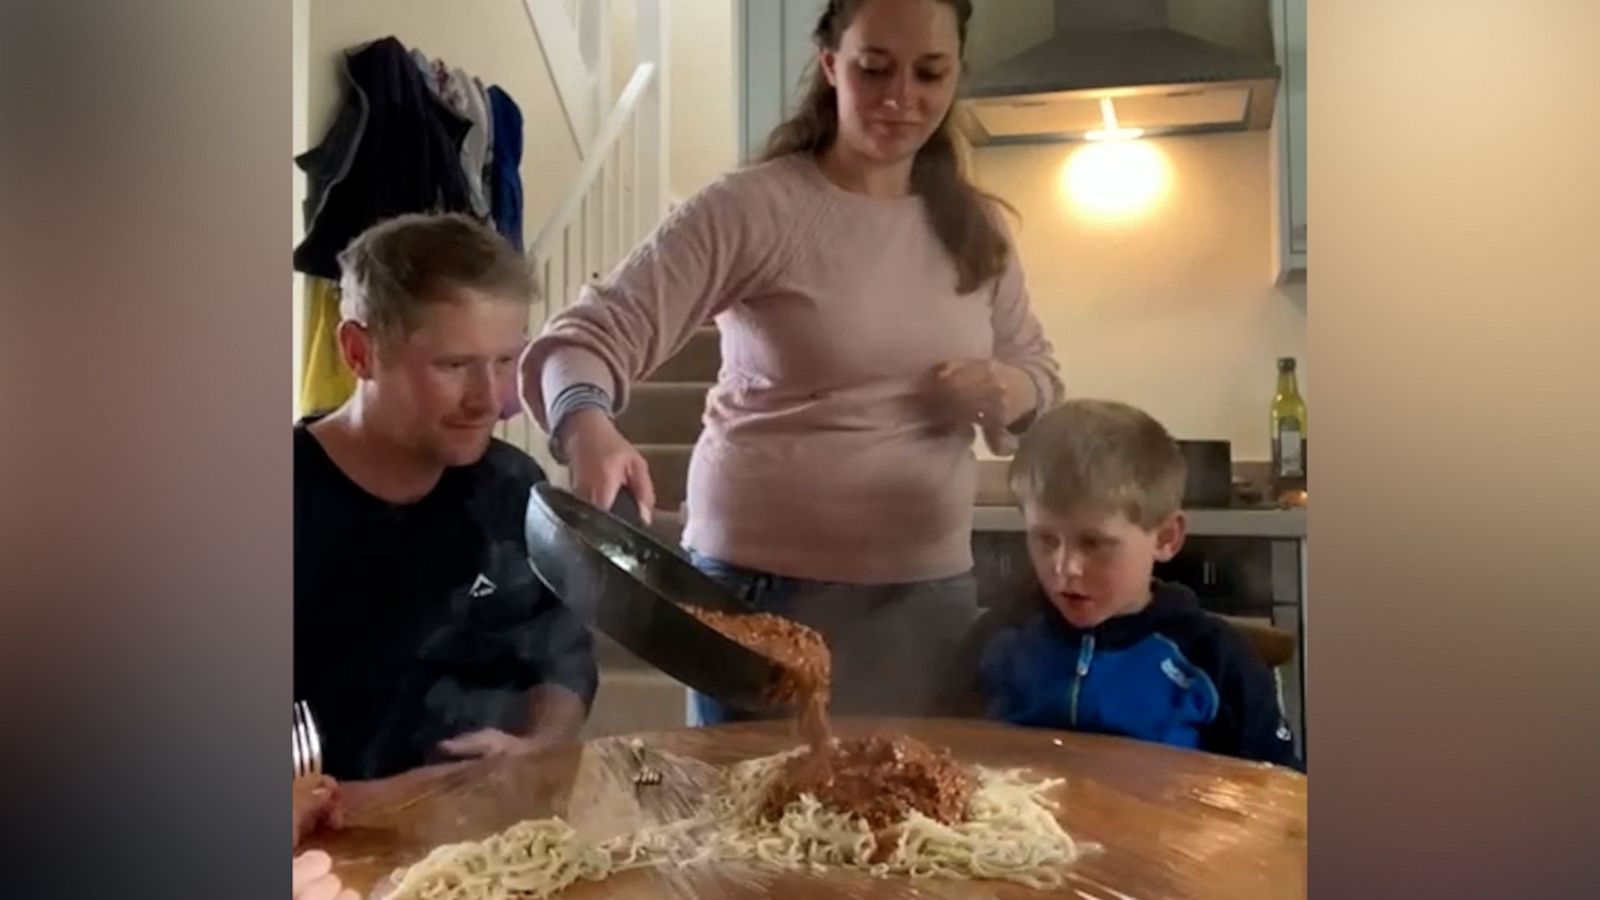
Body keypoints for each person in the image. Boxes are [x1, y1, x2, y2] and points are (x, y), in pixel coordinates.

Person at [520, 0, 1061, 724]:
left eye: (930, 73)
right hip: (753, 597)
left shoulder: (975, 228)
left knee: (913, 824)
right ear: (830, 63)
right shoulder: (753, 209)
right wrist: (585, 422)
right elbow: (585, 336)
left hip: (924, 597)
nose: (902, 97)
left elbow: (1041, 372)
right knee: (748, 827)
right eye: (875, 70)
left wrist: (1012, 387)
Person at [296, 212, 599, 780]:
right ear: (359, 352)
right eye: (454, 365)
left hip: (487, 843)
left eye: (506, 361)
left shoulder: (512, 489)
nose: (489, 401)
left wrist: (539, 743)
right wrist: (395, 804)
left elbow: (562, 662)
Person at [976, 400, 1302, 769]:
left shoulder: (1214, 660)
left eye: (1094, 543)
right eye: (1045, 540)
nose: (1065, 568)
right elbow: (944, 751)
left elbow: (1280, 793)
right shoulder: (999, 638)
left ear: (1165, 537)